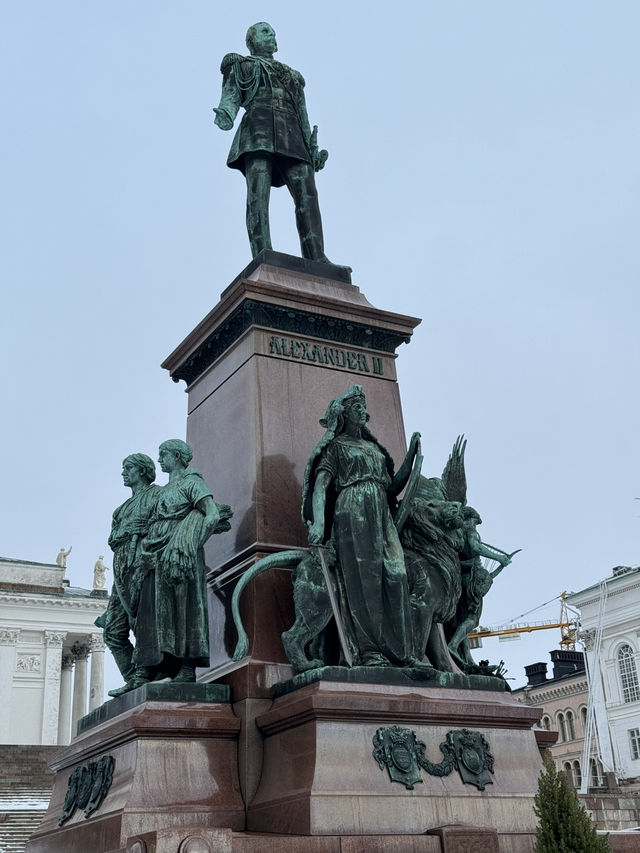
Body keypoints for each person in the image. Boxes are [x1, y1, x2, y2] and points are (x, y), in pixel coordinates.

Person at [302, 386, 421, 667]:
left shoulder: (373, 449)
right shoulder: (337, 447)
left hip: (381, 514)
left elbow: (391, 486)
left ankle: (402, 652)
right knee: (363, 582)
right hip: (352, 511)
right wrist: (318, 522)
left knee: (396, 573)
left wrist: (411, 456)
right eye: (357, 407)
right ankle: (370, 651)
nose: (363, 411)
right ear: (344, 414)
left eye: (363, 406)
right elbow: (321, 485)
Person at [214, 22, 334, 263]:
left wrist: (312, 150)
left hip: (292, 134)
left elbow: (303, 114)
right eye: (266, 32)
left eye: (273, 33)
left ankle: (317, 257)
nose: (272, 36)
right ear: (252, 40)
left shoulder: (293, 76)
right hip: (257, 130)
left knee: (307, 194)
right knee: (258, 193)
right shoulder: (241, 65)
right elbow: (231, 97)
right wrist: (225, 113)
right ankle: (262, 252)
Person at [135, 440, 232, 684]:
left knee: (184, 608)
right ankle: (164, 665)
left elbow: (211, 514)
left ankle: (187, 667)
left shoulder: (192, 482)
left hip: (180, 556)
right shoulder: (161, 492)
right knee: (156, 611)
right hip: (156, 555)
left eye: (163, 455)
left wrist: (189, 542)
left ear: (176, 456)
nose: (159, 460)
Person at [97, 453, 160, 697]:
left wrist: (142, 531)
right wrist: (125, 532)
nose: (124, 472)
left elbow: (166, 523)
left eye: (128, 468)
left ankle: (144, 674)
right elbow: (112, 538)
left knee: (141, 621)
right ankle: (133, 677)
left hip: (143, 562)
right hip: (121, 566)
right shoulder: (121, 509)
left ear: (142, 471)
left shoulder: (157, 495)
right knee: (112, 630)